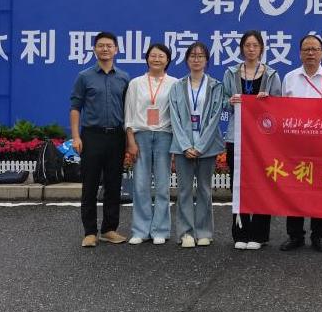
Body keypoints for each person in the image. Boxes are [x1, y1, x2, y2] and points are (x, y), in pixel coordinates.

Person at [279, 34, 322, 253]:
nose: (311, 53)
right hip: (296, 146)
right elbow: (282, 112)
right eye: (306, 49)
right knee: (295, 189)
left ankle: (319, 236)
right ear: (300, 54)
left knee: (320, 190)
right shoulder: (289, 78)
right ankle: (295, 235)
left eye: (315, 49)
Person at [70, 31, 131, 248]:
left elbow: (129, 110)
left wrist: (129, 139)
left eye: (109, 46)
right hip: (92, 136)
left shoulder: (124, 78)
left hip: (116, 136)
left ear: (116, 50)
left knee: (114, 184)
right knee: (90, 184)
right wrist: (76, 136)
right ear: (95, 49)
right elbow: (75, 107)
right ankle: (89, 232)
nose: (105, 49)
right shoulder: (84, 76)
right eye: (101, 45)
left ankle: (109, 229)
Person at [223, 30, 283, 251]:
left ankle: (259, 234)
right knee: (238, 184)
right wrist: (230, 101)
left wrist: (268, 101)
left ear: (261, 49)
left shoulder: (272, 74)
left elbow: (279, 106)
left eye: (255, 45)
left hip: (263, 140)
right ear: (241, 48)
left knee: (262, 185)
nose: (251, 49)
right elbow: (222, 103)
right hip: (236, 136)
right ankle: (240, 232)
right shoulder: (231, 73)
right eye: (247, 45)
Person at [168, 42, 225, 248]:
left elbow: (215, 117)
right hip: (183, 147)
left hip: (207, 147)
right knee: (184, 190)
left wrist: (200, 146)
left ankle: (204, 232)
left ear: (207, 60)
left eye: (200, 56)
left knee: (204, 189)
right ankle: (186, 233)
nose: (196, 59)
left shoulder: (216, 86)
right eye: (192, 56)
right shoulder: (177, 86)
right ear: (186, 60)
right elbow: (174, 117)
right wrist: (185, 145)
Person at [124, 44, 178, 246]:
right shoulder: (135, 83)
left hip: (165, 135)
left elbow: (177, 115)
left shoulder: (175, 83)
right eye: (153, 55)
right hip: (141, 135)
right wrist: (130, 140)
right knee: (140, 185)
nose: (156, 59)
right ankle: (141, 229)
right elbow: (129, 113)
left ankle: (160, 230)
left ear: (167, 60)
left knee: (163, 185)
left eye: (161, 56)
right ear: (147, 59)